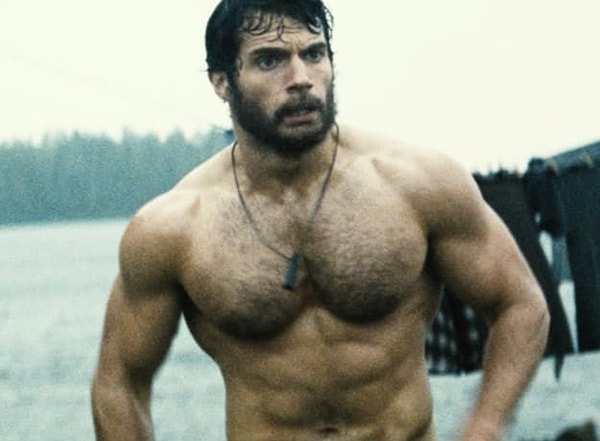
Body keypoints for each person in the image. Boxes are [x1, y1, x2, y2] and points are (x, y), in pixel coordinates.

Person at [91, 1, 550, 440]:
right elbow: (120, 382)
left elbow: (520, 304)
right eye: (270, 60)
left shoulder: (417, 183)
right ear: (222, 82)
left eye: (314, 54)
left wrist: (483, 428)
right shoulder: (173, 228)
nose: (301, 79)